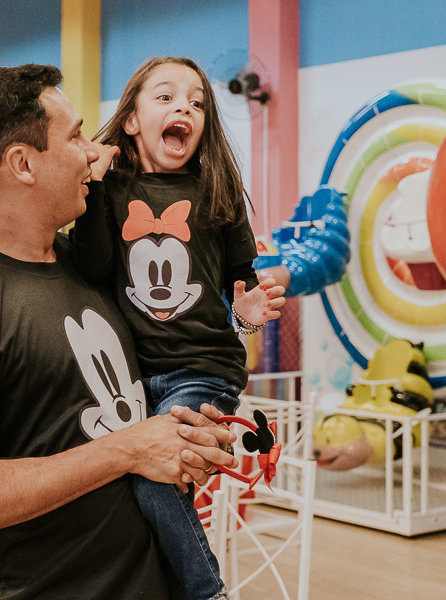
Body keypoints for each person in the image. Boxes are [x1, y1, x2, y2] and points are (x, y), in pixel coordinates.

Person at [0, 64, 238, 599]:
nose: (91, 150)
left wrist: (190, 436)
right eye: (76, 134)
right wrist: (127, 449)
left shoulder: (94, 265)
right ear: (23, 163)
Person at [70, 56, 286, 599]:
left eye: (195, 102)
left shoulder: (218, 191)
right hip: (132, 378)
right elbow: (92, 267)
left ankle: (208, 593)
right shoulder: (110, 191)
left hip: (202, 371)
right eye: (165, 97)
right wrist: (94, 188)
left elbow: (239, 284)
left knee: (155, 481)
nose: (183, 107)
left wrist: (246, 315)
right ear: (132, 121)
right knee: (119, 493)